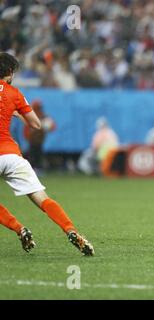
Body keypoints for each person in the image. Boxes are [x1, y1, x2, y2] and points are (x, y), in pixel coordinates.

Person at [0, 52, 94, 256]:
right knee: (42, 198)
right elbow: (36, 124)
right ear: (9, 72)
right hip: (12, 155)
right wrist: (17, 114)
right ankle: (71, 230)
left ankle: (20, 228)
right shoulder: (14, 93)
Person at [23, 99, 56, 172]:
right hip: (32, 141)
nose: (38, 110)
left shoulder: (44, 117)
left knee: (38, 155)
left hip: (39, 141)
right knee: (32, 155)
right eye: (37, 108)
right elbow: (26, 131)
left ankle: (38, 169)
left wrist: (45, 126)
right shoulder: (30, 117)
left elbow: (53, 127)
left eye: (39, 108)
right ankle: (32, 169)